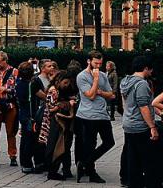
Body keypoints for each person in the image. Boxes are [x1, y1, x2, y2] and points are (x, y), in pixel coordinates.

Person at [74, 50, 115, 183]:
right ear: (89, 61)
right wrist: (96, 79)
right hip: (87, 115)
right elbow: (90, 95)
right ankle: (91, 172)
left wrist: (101, 92)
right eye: (96, 63)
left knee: (109, 142)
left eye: (100, 63)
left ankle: (84, 162)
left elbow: (111, 94)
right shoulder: (82, 76)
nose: (98, 66)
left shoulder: (103, 75)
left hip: (102, 114)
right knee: (90, 144)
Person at [121, 55, 158, 188]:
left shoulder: (125, 81)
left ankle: (133, 183)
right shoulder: (141, 84)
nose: (151, 72)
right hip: (140, 125)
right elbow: (143, 107)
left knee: (132, 158)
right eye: (150, 69)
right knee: (148, 158)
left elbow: (125, 103)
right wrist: (152, 127)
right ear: (146, 68)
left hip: (128, 123)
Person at [41, 71, 77, 180]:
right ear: (59, 81)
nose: (67, 85)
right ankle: (53, 171)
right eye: (65, 83)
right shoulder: (53, 91)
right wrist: (67, 104)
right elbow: (52, 108)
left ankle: (63, 170)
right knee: (58, 146)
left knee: (63, 146)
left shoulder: (58, 90)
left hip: (60, 122)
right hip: (56, 122)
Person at [15, 61, 38, 173]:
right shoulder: (30, 85)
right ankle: (27, 163)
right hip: (30, 115)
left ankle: (24, 163)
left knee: (24, 139)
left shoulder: (18, 84)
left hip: (23, 114)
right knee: (30, 140)